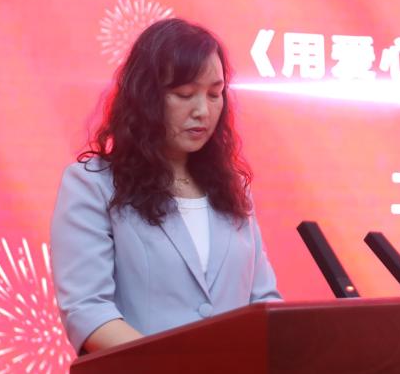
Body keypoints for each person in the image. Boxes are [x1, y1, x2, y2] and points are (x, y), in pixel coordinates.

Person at [50, 18, 281, 354]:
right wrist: (177, 367)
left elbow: (263, 301)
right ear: (145, 97)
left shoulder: (233, 189)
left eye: (214, 94)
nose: (202, 111)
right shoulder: (93, 185)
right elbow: (88, 310)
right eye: (184, 94)